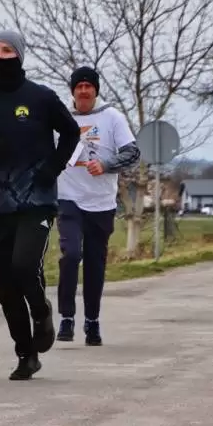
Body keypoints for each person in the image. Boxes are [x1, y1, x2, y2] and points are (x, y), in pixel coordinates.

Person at [0, 30, 81, 380]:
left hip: (36, 199)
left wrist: (52, 168)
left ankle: (41, 311)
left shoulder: (41, 97)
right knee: (5, 286)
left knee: (25, 267)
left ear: (20, 56)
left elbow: (71, 132)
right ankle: (26, 354)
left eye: (7, 50)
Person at [55, 66, 140, 346]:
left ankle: (92, 321)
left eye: (88, 86)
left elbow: (132, 154)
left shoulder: (112, 117)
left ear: (95, 90)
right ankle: (66, 317)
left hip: (101, 203)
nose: (83, 91)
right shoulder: (61, 117)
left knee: (94, 263)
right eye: (78, 86)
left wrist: (106, 164)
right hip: (68, 198)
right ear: (72, 91)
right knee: (71, 254)